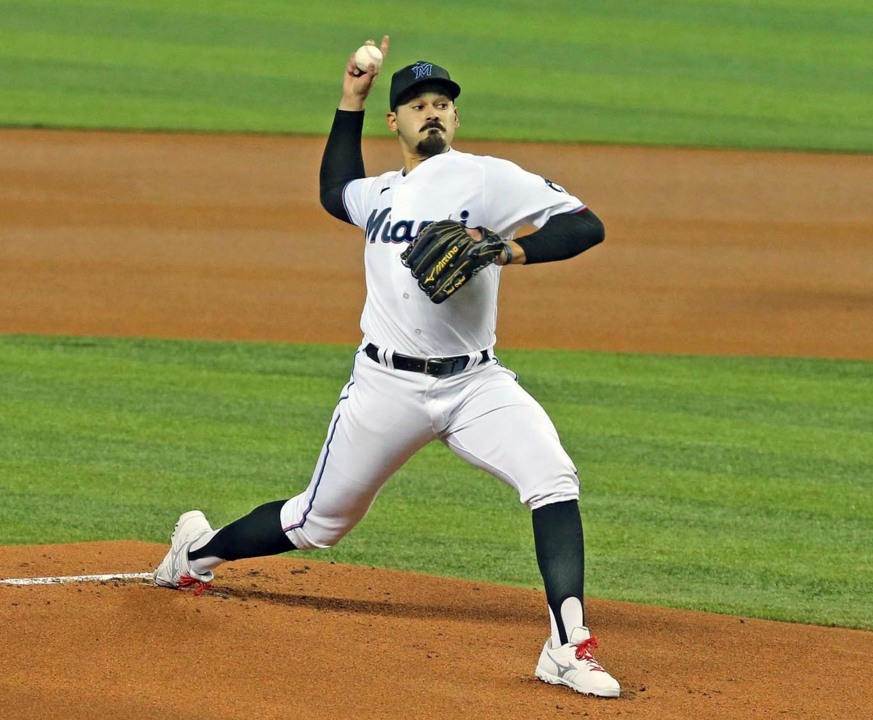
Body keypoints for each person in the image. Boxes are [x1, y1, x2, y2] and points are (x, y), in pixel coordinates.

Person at [153, 36, 621, 699]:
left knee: (553, 477)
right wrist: (350, 99)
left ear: (455, 119)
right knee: (319, 523)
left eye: (441, 104)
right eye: (416, 105)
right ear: (395, 122)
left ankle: (567, 647)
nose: (431, 112)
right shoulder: (379, 195)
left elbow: (587, 225)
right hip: (385, 387)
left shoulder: (487, 177)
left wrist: (506, 250)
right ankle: (196, 554)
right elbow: (333, 191)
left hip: (473, 382)